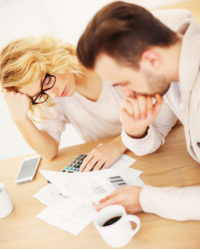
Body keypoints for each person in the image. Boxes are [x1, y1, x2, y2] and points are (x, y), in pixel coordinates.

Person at [76, 1, 200, 220]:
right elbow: (159, 130)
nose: (127, 94)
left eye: (124, 82)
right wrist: (135, 130)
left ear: (151, 60)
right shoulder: (172, 72)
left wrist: (145, 199)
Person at [0, 35, 128, 171]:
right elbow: (48, 152)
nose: (53, 94)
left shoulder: (104, 60)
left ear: (53, 58)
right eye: (39, 94)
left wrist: (119, 144)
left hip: (144, 146)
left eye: (47, 82)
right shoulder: (51, 96)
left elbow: (153, 115)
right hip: (115, 163)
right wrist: (20, 120)